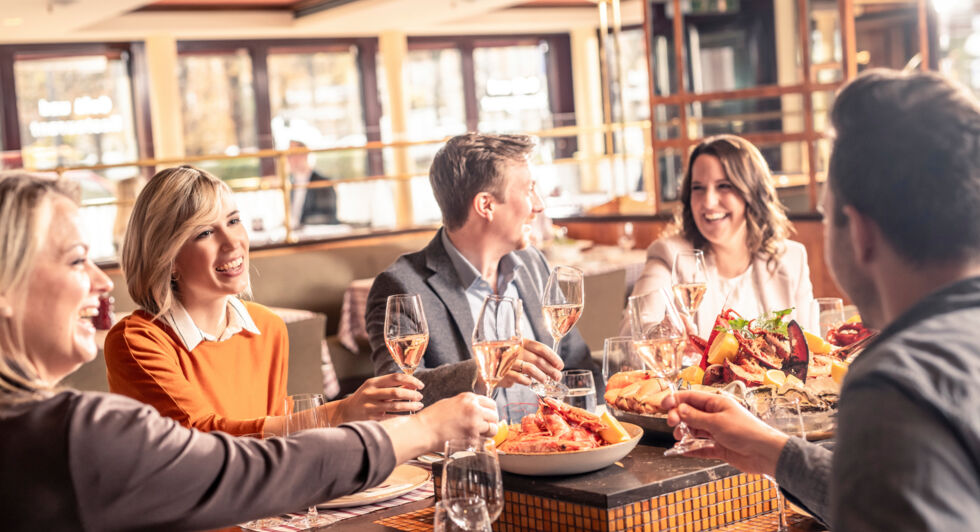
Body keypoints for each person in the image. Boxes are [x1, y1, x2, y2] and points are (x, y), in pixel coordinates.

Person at [0, 172, 498, 530]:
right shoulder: (74, 434)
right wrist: (419, 431)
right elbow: (249, 465)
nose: (99, 281)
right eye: (74, 260)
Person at [664, 69, 980, 530]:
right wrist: (774, 451)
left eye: (828, 216)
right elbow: (894, 495)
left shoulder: (896, 383)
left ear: (861, 232)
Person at [106, 166, 420, 437]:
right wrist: (337, 414)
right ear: (168, 257)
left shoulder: (266, 328)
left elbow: (272, 450)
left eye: (232, 221)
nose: (232, 243)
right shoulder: (136, 341)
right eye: (204, 233)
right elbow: (202, 439)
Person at [365, 133, 602, 412]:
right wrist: (481, 370)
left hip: (552, 447)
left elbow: (578, 367)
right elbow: (394, 397)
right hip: (469, 453)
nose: (539, 205)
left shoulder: (532, 263)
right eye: (529, 190)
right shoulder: (402, 285)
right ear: (486, 205)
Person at [629, 134, 814, 333]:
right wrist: (661, 334)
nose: (708, 202)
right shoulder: (669, 255)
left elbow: (812, 347)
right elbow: (635, 333)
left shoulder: (792, 259)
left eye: (724, 186)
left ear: (751, 192)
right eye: (698, 188)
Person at [288, 140, 338, 226]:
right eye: (288, 155)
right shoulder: (291, 185)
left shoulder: (323, 183)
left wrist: (302, 224)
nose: (289, 159)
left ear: (305, 155)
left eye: (294, 154)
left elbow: (327, 215)